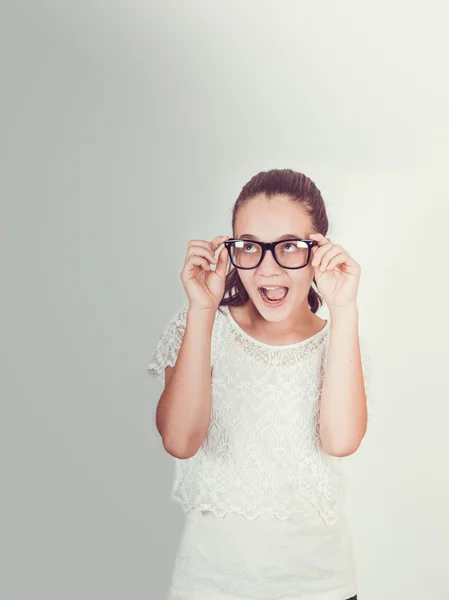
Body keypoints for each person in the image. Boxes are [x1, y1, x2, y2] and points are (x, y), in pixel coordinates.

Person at [148, 169, 372, 600]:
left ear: (320, 251)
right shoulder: (204, 325)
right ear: (232, 251)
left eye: (289, 246)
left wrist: (344, 309)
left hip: (320, 586)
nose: (267, 268)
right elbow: (179, 440)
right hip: (210, 585)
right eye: (249, 246)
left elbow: (341, 440)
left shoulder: (337, 339)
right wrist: (202, 310)